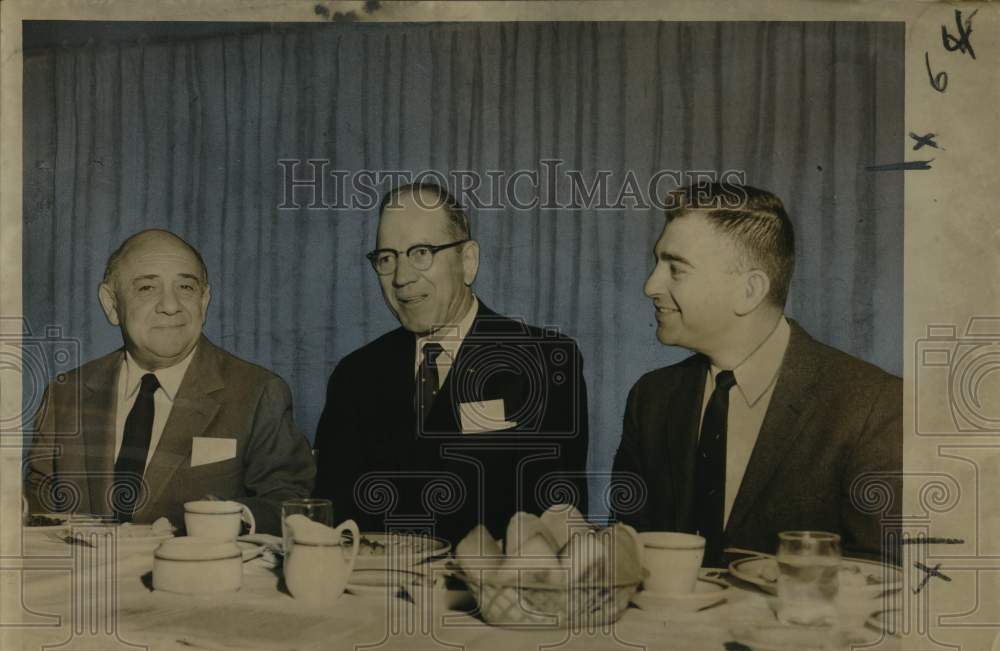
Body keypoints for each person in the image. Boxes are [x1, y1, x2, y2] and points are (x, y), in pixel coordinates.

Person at [612, 183, 901, 567]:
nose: (651, 286)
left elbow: (887, 578)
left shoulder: (873, 406)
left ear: (749, 291)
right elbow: (631, 548)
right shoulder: (651, 398)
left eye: (675, 269)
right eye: (657, 264)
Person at [314, 183, 588, 545]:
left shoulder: (546, 362)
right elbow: (332, 516)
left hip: (489, 593)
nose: (401, 277)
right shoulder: (355, 376)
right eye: (387, 258)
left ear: (468, 261)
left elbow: (555, 518)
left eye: (421, 252)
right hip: (372, 593)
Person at [24, 229, 315, 534]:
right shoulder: (67, 392)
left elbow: (293, 503)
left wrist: (229, 518)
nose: (171, 305)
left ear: (204, 301)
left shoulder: (258, 392)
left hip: (196, 578)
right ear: (111, 304)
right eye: (147, 287)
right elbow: (41, 496)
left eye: (186, 287)